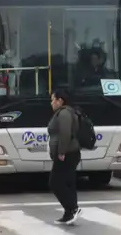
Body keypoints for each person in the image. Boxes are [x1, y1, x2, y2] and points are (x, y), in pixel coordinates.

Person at [48, 88, 81, 225]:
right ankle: (68, 213)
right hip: (69, 153)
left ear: (60, 101)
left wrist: (61, 152)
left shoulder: (64, 114)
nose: (51, 103)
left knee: (55, 182)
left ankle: (73, 208)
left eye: (53, 100)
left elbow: (65, 134)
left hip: (67, 154)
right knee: (67, 182)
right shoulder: (64, 112)